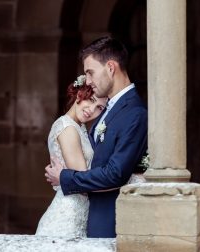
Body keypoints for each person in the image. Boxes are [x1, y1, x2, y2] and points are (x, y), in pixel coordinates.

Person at [45, 36, 148, 238]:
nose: (88, 81)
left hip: (109, 220)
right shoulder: (110, 108)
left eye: (90, 72)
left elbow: (116, 173)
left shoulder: (134, 113)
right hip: (92, 217)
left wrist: (64, 177)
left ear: (110, 67)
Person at [35, 75, 108, 237]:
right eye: (91, 100)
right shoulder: (67, 128)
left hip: (78, 212)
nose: (92, 110)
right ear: (79, 94)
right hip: (67, 216)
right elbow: (82, 181)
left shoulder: (78, 127)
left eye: (100, 108)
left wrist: (62, 177)